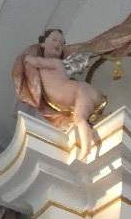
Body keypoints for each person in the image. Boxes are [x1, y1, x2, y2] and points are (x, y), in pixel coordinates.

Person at [11, 28, 104, 159]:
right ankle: (87, 139)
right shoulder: (49, 64)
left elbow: (35, 61)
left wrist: (26, 57)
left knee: (79, 118)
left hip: (81, 91)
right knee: (79, 119)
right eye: (54, 40)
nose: (58, 44)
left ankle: (87, 148)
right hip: (79, 93)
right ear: (42, 43)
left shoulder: (54, 62)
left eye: (62, 43)